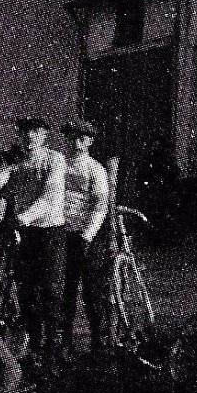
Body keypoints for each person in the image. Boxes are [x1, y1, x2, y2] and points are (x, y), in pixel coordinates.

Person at [0, 116, 68, 361]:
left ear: (44, 135)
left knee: (51, 287)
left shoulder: (55, 160)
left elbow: (50, 197)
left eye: (36, 133)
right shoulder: (15, 162)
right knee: (25, 287)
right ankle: (32, 342)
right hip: (24, 230)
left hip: (50, 230)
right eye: (26, 133)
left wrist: (23, 218)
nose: (29, 137)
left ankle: (52, 345)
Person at [60, 120, 112, 353]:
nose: (76, 142)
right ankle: (65, 339)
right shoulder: (59, 164)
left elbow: (100, 205)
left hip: (88, 234)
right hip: (63, 232)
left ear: (90, 141)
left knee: (92, 288)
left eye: (82, 138)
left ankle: (98, 338)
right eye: (72, 138)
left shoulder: (95, 169)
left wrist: (88, 235)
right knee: (64, 288)